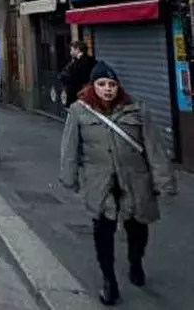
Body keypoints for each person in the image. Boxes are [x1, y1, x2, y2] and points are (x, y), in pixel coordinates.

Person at [60, 61, 176, 306]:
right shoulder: (79, 111)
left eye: (112, 84)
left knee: (138, 230)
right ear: (93, 86)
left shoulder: (136, 110)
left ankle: (135, 261)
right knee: (103, 234)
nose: (107, 89)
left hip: (135, 181)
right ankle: (109, 281)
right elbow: (69, 149)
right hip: (100, 183)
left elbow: (154, 148)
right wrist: (69, 178)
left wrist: (163, 181)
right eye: (102, 84)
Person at [59, 40, 97, 109]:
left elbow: (66, 77)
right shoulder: (92, 61)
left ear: (77, 50)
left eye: (72, 50)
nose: (70, 52)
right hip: (89, 97)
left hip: (77, 97)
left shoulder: (76, 64)